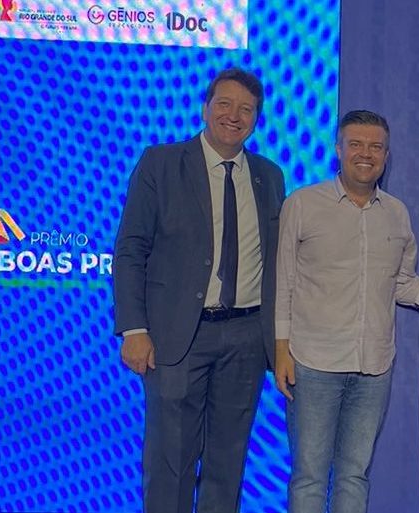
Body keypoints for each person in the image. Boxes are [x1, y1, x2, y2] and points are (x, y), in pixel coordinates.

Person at [113, 67, 285, 513]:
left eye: (246, 109)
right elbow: (130, 249)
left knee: (227, 466)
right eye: (224, 104)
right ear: (205, 108)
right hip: (175, 337)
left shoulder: (270, 176)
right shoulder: (161, 163)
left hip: (246, 339)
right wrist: (134, 329)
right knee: (170, 464)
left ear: (257, 120)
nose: (234, 116)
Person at [274, 110, 419, 513]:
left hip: (374, 367)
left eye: (376, 146)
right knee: (309, 476)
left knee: (355, 475)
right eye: (355, 144)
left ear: (387, 155)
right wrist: (281, 350)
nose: (366, 154)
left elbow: (402, 283)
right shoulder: (302, 204)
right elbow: (283, 281)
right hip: (312, 364)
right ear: (338, 149)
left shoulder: (397, 212)